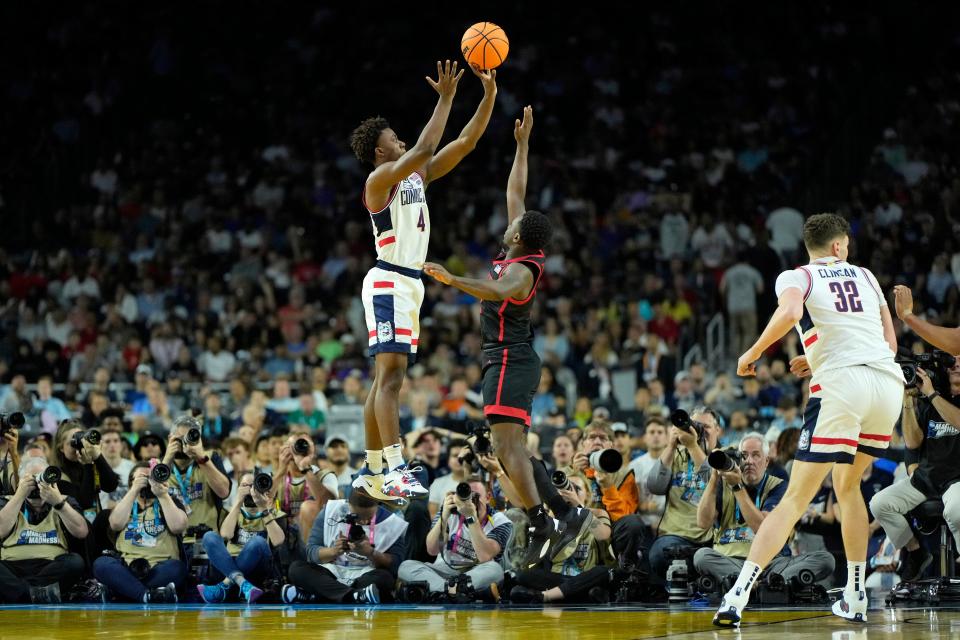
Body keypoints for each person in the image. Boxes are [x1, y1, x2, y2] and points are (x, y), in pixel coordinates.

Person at [714, 213, 904, 627]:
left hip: (842, 385)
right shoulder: (869, 277)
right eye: (847, 244)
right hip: (887, 385)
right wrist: (820, 358)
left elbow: (787, 315)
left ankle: (736, 596)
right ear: (839, 246)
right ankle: (855, 596)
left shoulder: (796, 275)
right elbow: (888, 342)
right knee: (849, 487)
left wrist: (752, 353)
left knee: (794, 499)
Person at [424, 106, 591, 567]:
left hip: (508, 358)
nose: (509, 220)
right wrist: (522, 145)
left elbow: (495, 289)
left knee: (505, 447)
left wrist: (453, 280)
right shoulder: (521, 245)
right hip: (510, 358)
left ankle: (540, 519)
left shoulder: (521, 271)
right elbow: (514, 189)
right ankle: (560, 512)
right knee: (509, 446)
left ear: (519, 237)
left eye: (513, 223)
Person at [349, 60, 498, 502]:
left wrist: (488, 96)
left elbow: (465, 142)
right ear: (380, 152)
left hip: (409, 283)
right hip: (388, 280)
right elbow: (426, 146)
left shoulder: (415, 176)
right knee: (391, 378)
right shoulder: (379, 180)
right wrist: (446, 97)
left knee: (385, 379)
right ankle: (394, 466)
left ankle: (375, 469)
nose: (402, 140)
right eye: (393, 138)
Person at [694, 433, 835, 588]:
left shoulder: (779, 486)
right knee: (701, 556)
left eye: (756, 456)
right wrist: (714, 478)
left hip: (773, 563)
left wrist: (737, 487)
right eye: (744, 456)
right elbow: (702, 523)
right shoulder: (723, 483)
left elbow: (762, 529)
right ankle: (769, 586)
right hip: (732, 560)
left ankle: (745, 584)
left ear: (766, 461)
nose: (749, 461)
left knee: (826, 559)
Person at [870, 356, 960, 580]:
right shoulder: (928, 400)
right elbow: (912, 442)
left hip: (956, 479)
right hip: (926, 478)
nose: (956, 365)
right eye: (953, 363)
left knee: (955, 510)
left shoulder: (933, 396)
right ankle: (916, 552)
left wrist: (931, 394)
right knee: (880, 504)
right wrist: (908, 400)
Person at [282, 491, 409, 604]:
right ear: (348, 506)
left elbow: (396, 564)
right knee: (296, 569)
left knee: (385, 579)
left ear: (377, 506)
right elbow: (311, 553)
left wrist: (371, 553)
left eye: (369, 518)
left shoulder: (392, 523)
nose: (364, 522)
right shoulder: (330, 511)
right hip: (332, 571)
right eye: (358, 517)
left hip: (365, 574)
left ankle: (316, 595)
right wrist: (333, 551)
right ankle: (355, 596)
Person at [398, 477, 512, 599]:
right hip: (444, 571)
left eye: (475, 496)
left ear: (488, 497)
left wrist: (471, 517)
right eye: (466, 496)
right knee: (406, 566)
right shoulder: (450, 512)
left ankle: (439, 592)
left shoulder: (500, 521)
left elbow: (484, 556)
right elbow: (432, 549)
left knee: (495, 570)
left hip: (476, 572)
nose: (470, 501)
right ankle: (458, 592)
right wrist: (444, 517)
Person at [510, 475, 614, 604]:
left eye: (576, 488)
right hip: (558, 578)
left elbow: (603, 538)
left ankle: (547, 596)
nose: (570, 492)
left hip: (586, 576)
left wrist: (578, 507)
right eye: (563, 488)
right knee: (522, 575)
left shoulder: (598, 513)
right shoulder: (549, 518)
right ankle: (581, 595)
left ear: (588, 495)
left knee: (602, 572)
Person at [94, 461, 189, 603]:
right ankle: (149, 594)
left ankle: (126, 590)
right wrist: (133, 490)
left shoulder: (169, 501)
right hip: (126, 568)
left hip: (160, 567)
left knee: (177, 568)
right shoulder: (127, 504)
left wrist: (163, 495)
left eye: (151, 477)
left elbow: (178, 527)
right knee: (101, 564)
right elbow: (115, 523)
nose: (148, 482)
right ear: (131, 481)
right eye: (143, 478)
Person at [0, 457, 89, 603]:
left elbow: (81, 532)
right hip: (13, 568)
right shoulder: (7, 500)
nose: (37, 485)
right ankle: (36, 594)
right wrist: (19, 496)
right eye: (31, 480)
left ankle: (19, 593)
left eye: (41, 479)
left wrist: (58, 503)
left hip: (51, 566)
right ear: (19, 481)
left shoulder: (65, 500)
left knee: (75, 562)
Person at [647, 408, 723, 578]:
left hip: (712, 538)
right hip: (675, 535)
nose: (700, 431)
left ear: (718, 430)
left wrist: (693, 446)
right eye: (696, 426)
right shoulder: (676, 455)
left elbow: (717, 488)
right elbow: (655, 487)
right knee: (659, 555)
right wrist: (671, 445)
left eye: (706, 427)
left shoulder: (724, 456)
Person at [197, 472, 285, 604]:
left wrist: (263, 508)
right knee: (209, 537)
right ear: (238, 489)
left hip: (258, 568)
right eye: (245, 486)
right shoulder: (231, 512)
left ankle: (225, 585)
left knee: (258, 542)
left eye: (254, 486)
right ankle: (242, 583)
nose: (250, 491)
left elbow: (278, 541)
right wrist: (238, 502)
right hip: (228, 563)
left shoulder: (274, 514)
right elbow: (226, 535)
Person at [162, 415, 231, 542]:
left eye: (187, 438)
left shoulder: (209, 457)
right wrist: (167, 459)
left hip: (207, 537)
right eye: (179, 438)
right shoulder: (161, 466)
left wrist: (201, 458)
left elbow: (224, 492)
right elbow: (152, 493)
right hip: (173, 541)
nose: (184, 443)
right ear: (170, 438)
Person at [54, 419, 120, 521]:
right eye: (73, 442)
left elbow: (111, 485)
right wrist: (88, 465)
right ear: (61, 448)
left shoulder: (90, 463)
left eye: (81, 441)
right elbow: (84, 504)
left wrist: (97, 456)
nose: (78, 446)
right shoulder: (58, 475)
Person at [893, 285, 960, 354]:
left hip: (929, 348)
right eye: (913, 301)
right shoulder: (898, 321)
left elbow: (956, 340)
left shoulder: (929, 314)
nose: (915, 305)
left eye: (916, 302)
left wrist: (907, 315)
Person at [629, 417, 668, 529]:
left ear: (666, 438)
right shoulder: (635, 466)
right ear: (645, 438)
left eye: (660, 432)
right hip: (643, 523)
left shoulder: (677, 463)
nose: (656, 435)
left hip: (671, 523)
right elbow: (632, 500)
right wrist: (644, 507)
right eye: (651, 432)